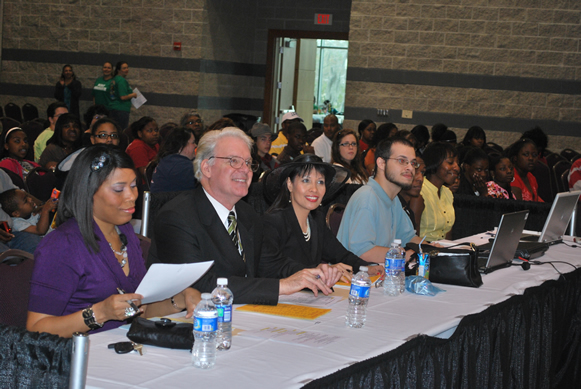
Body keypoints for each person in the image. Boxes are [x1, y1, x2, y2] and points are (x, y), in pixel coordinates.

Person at [147, 127, 342, 305]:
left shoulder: (246, 214)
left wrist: (311, 274)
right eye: (234, 161)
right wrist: (281, 287)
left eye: (248, 162)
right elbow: (201, 286)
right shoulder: (177, 217)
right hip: (189, 324)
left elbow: (269, 263)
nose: (245, 170)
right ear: (207, 168)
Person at [27, 146, 201, 338]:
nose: (131, 196)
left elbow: (135, 310)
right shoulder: (61, 246)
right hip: (75, 357)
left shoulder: (124, 232)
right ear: (88, 193)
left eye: (134, 185)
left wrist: (179, 300)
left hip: (120, 346)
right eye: (119, 189)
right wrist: (99, 313)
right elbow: (36, 328)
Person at [262, 154, 383, 282]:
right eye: (306, 180)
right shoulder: (272, 222)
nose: (314, 189)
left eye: (320, 182)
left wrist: (366, 268)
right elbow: (272, 268)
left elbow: (340, 254)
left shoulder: (316, 220)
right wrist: (318, 271)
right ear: (290, 184)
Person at [337, 138, 424, 265]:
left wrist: (434, 249)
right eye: (402, 161)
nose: (410, 168)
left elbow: (408, 237)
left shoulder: (393, 199)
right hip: (355, 280)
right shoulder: (367, 198)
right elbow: (362, 251)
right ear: (381, 163)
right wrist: (403, 255)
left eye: (413, 163)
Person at [416, 142, 459, 241]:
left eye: (457, 163)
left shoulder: (448, 193)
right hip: (424, 251)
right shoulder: (419, 190)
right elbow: (413, 236)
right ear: (435, 162)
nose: (457, 168)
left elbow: (447, 234)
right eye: (450, 162)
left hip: (442, 250)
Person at [150, 127, 197, 193]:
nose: (195, 145)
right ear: (181, 145)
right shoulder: (181, 166)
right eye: (193, 142)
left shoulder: (170, 160)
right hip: (169, 202)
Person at [509, 138, 543, 202]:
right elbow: (518, 207)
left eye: (534, 155)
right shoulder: (511, 177)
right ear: (515, 158)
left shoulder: (531, 177)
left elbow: (537, 201)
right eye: (526, 154)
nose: (531, 158)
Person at [399, 155, 426, 234]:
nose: (420, 179)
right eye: (415, 171)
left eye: (422, 172)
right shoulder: (392, 203)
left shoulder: (408, 205)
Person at [110, 61, 137, 130]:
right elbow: (123, 97)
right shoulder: (121, 81)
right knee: (121, 131)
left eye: (127, 68)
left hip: (113, 107)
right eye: (124, 68)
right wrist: (133, 95)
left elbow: (112, 95)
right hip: (121, 110)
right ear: (119, 70)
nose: (127, 70)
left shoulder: (114, 79)